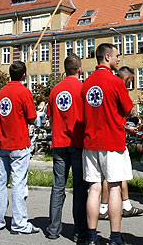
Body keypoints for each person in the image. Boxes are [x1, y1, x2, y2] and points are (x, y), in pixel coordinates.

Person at [82, 43, 134, 245]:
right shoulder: (115, 81)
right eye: (116, 55)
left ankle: (92, 237)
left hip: (91, 141)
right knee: (114, 188)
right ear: (107, 57)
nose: (119, 59)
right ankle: (115, 236)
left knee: (94, 189)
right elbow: (128, 109)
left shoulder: (86, 83)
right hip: (112, 140)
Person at [0, 61, 40, 234]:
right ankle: (19, 223)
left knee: (0, 182)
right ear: (24, 75)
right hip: (18, 142)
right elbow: (32, 118)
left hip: (3, 142)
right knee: (18, 184)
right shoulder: (24, 91)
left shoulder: (3, 91)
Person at [45, 54, 88, 241]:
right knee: (79, 188)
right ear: (80, 69)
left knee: (58, 187)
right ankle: (80, 232)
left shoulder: (55, 89)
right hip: (77, 143)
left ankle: (53, 229)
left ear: (64, 70)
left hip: (59, 142)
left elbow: (51, 117)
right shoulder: (83, 88)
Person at [99, 66, 143, 221]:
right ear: (126, 78)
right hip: (112, 138)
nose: (130, 86)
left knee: (121, 173)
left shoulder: (106, 85)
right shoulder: (118, 86)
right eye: (130, 81)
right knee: (109, 176)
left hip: (105, 134)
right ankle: (104, 207)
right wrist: (128, 126)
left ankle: (126, 205)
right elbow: (127, 111)